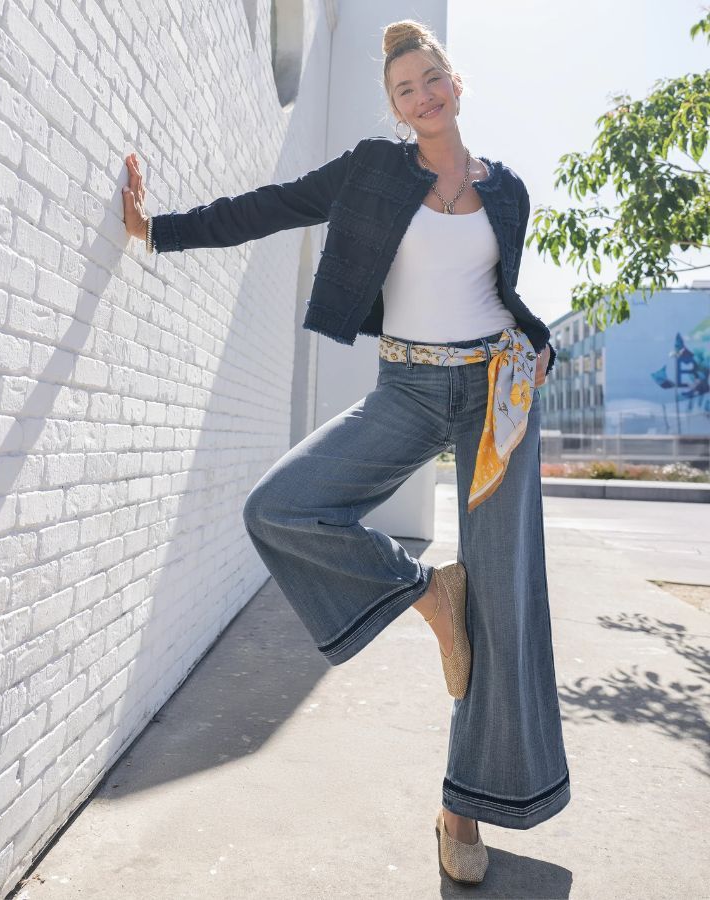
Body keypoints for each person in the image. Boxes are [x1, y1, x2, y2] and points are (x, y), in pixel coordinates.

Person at [123, 19, 570, 886]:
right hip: (407, 387)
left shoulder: (508, 189)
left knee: (506, 609)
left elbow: (502, 292)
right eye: (405, 89)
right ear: (395, 109)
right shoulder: (374, 168)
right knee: (282, 505)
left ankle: (463, 810)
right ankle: (427, 593)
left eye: (432, 78)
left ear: (456, 83)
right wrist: (157, 230)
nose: (422, 95)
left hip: (497, 394)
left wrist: (540, 342)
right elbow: (272, 205)